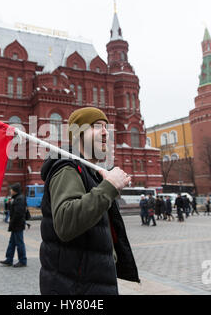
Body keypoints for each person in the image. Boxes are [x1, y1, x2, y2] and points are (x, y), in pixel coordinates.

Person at [39, 107, 139, 295]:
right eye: (97, 126)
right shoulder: (67, 168)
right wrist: (109, 186)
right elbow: (66, 221)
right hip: (75, 289)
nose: (105, 132)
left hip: (89, 284)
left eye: (106, 127)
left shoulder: (89, 173)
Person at [0, 183, 28, 268]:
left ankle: (22, 260)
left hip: (18, 225)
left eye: (11, 189)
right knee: (12, 243)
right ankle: (9, 259)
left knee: (19, 243)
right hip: (15, 225)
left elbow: (18, 213)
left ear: (15, 191)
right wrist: (8, 203)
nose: (10, 191)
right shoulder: (15, 198)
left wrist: (12, 222)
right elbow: (11, 209)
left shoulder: (20, 199)